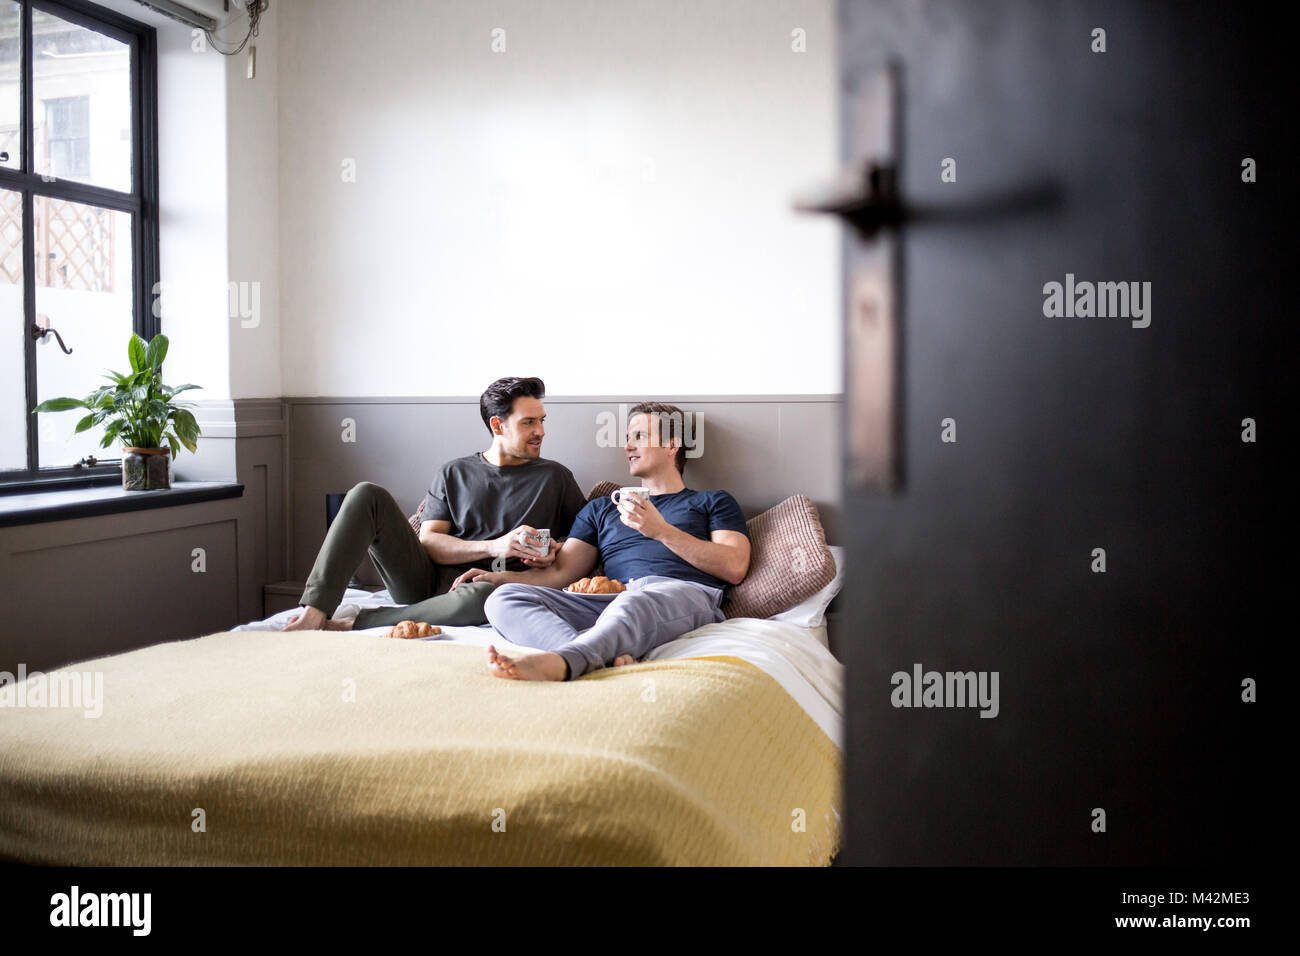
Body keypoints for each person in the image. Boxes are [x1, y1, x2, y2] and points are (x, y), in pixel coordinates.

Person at [453, 401, 752, 681]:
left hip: (680, 596)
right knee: (504, 600)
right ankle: (587, 657)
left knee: (635, 602)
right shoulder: (602, 508)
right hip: (612, 600)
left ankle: (561, 663)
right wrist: (497, 578)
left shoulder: (712, 502)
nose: (628, 445)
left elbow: (734, 566)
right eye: (627, 437)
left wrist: (660, 530)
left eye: (639, 436)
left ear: (672, 444)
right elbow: (560, 573)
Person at [281, 376, 587, 632]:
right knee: (365, 494)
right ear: (497, 425)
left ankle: (355, 623)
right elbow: (428, 541)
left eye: (542, 421)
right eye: (529, 422)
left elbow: (581, 543)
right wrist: (495, 547)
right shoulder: (455, 472)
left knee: (486, 594)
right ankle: (315, 613)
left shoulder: (555, 478)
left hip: (486, 588)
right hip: (427, 581)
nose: (541, 431)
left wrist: (553, 550)